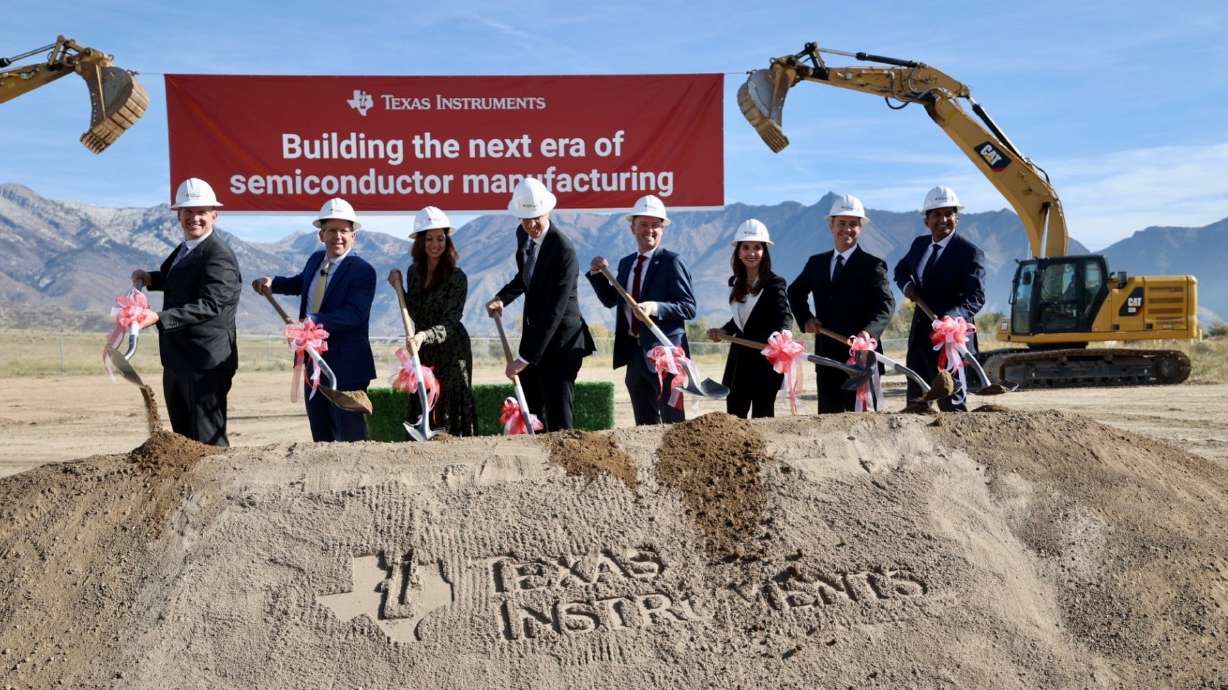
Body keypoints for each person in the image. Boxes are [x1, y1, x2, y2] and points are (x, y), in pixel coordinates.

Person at [251, 198, 376, 441]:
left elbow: (354, 314)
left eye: (344, 230)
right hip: (312, 362)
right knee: (321, 434)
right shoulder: (315, 261)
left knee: (350, 436)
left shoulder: (363, 271)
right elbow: (301, 283)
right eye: (331, 230)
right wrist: (273, 283)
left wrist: (311, 321)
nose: (337, 236)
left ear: (354, 236)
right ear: (321, 234)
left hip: (347, 365)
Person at [130, 177, 241, 446]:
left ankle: (217, 487)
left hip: (205, 361)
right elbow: (176, 279)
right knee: (184, 440)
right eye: (188, 212)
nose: (194, 218)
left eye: (201, 212)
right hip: (180, 358)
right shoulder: (186, 249)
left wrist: (159, 317)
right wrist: (151, 278)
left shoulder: (218, 255)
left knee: (207, 440)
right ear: (179, 215)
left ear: (214, 215)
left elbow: (212, 304)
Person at [486, 178, 595, 431]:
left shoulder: (563, 250)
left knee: (559, 419)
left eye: (536, 217)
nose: (531, 225)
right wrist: (503, 297)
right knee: (529, 412)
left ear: (547, 211)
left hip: (562, 344)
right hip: (537, 341)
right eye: (525, 218)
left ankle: (566, 465)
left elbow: (554, 311)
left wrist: (525, 357)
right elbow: (526, 276)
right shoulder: (523, 235)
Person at [587, 195, 696, 425]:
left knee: (673, 420)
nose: (650, 230)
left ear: (663, 229)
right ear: (632, 228)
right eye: (643, 224)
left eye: (655, 224)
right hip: (635, 355)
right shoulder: (627, 264)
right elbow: (611, 300)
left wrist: (654, 307)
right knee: (644, 425)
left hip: (666, 356)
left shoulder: (672, 262)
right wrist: (597, 275)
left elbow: (688, 307)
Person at [788, 194, 895, 413]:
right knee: (829, 423)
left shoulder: (873, 266)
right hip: (827, 358)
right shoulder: (816, 263)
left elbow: (886, 304)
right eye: (841, 223)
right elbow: (795, 292)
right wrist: (806, 318)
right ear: (831, 226)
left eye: (853, 224)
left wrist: (869, 333)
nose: (846, 229)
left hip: (861, 359)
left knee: (864, 424)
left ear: (861, 228)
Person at [892, 185, 987, 412]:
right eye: (936, 214)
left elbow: (977, 296)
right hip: (920, 340)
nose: (943, 219)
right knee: (916, 404)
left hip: (950, 342)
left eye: (948, 214)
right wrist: (907, 286)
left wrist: (951, 317)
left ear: (957, 218)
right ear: (926, 220)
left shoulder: (969, 253)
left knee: (951, 405)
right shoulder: (919, 245)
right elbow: (900, 269)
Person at [387, 206, 478, 437]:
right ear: (420, 241)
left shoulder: (457, 277)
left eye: (440, 238)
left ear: (447, 241)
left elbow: (451, 321)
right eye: (429, 238)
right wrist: (399, 291)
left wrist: (423, 336)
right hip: (423, 350)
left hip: (451, 350)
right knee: (424, 398)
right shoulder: (413, 273)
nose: (435, 244)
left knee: (451, 404)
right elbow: (417, 312)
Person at [706, 219, 791, 418]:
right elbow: (740, 320)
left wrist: (783, 337)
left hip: (764, 362)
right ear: (738, 251)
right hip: (738, 363)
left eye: (757, 247)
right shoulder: (734, 282)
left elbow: (784, 315)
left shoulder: (775, 283)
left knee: (762, 417)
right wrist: (724, 331)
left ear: (764, 251)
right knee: (734, 418)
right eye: (746, 247)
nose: (751, 253)